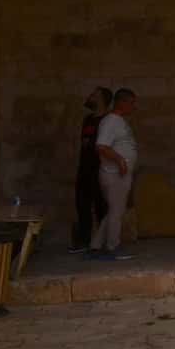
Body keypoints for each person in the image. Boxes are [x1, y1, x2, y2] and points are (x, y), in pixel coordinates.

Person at [90, 88, 139, 260]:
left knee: (114, 210)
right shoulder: (111, 121)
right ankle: (112, 247)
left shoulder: (118, 121)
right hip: (114, 173)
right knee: (117, 211)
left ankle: (96, 246)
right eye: (131, 102)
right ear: (121, 102)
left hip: (120, 173)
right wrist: (120, 160)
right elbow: (101, 146)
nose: (134, 106)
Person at [70, 87, 112, 252]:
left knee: (102, 207)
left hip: (101, 170)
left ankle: (105, 243)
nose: (89, 96)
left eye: (94, 95)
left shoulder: (109, 120)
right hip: (84, 170)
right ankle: (84, 241)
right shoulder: (87, 119)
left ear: (102, 100)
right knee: (82, 206)